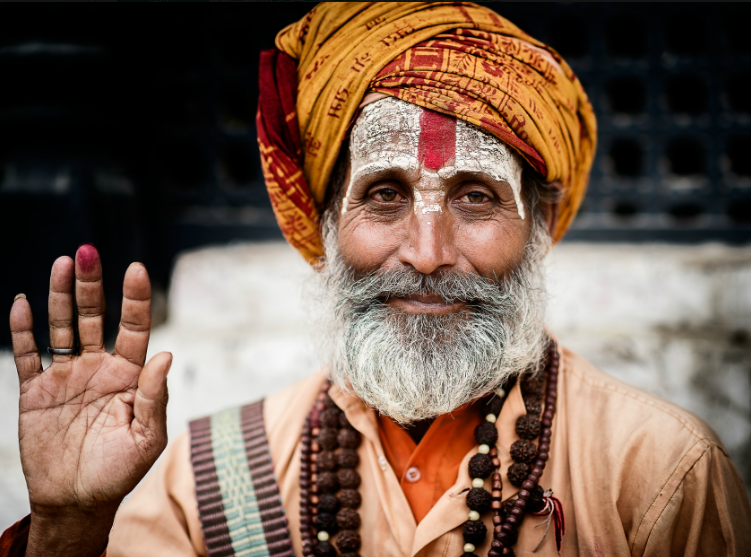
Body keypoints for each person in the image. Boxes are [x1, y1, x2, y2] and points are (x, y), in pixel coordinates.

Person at [3, 3, 750, 557]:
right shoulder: (207, 481)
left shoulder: (656, 472)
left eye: (476, 196)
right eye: (384, 193)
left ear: (540, 225)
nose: (426, 252)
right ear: (324, 220)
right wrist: (68, 525)